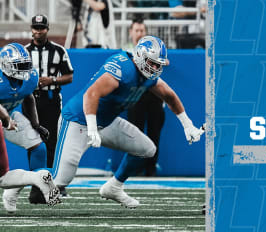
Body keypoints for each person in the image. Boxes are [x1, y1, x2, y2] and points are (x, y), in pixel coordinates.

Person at [52, 36, 204, 208]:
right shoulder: (123, 67)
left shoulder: (147, 75)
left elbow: (169, 95)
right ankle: (18, 183)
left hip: (106, 122)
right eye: (151, 62)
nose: (154, 68)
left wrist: (187, 124)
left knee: (147, 149)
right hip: (79, 120)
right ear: (139, 56)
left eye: (157, 64)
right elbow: (91, 94)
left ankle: (114, 187)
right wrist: (92, 128)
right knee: (61, 178)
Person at [0, 43, 61, 212]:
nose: (25, 70)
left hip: (9, 116)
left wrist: (36, 124)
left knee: (38, 148)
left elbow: (28, 97)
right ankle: (24, 184)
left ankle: (35, 188)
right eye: (20, 66)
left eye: (27, 65)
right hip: (4, 118)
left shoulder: (30, 78)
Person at [26, 14, 74, 170]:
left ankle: (53, 176)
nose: (38, 31)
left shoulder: (58, 50)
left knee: (52, 140)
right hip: (31, 100)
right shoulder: (24, 52)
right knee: (31, 140)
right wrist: (30, 83)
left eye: (42, 28)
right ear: (31, 29)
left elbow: (69, 76)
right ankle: (35, 177)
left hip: (51, 100)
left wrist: (52, 80)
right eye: (36, 28)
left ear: (47, 29)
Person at [123, 19, 166, 176]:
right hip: (135, 96)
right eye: (137, 30)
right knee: (135, 134)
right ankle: (134, 167)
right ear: (131, 32)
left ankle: (151, 168)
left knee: (154, 133)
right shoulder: (126, 50)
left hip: (153, 95)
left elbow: (165, 61)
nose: (139, 33)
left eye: (142, 30)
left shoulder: (154, 49)